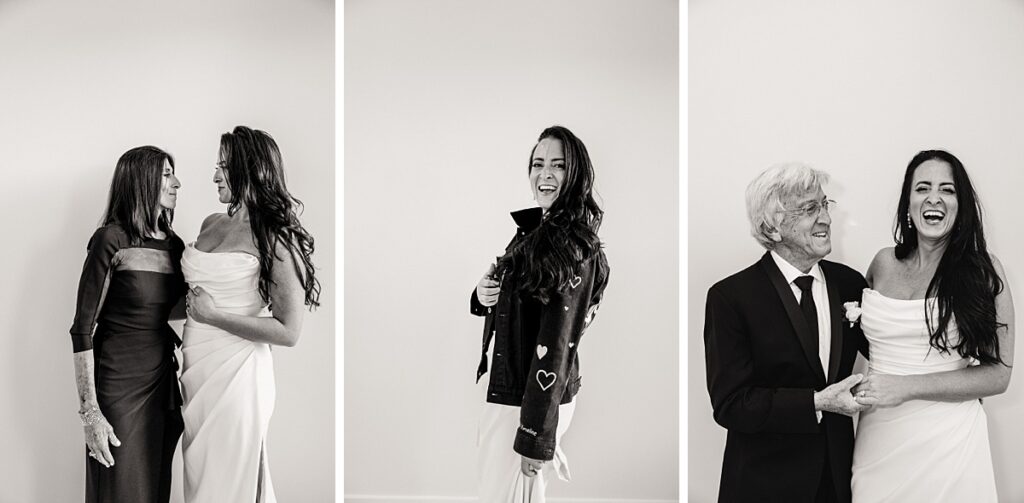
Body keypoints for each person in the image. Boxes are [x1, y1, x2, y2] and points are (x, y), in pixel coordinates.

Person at [850, 150, 1013, 502]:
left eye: (947, 190)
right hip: (878, 438)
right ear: (908, 203)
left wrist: (904, 387)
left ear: (961, 204)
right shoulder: (882, 263)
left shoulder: (984, 272)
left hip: (949, 442)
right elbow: (863, 342)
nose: (933, 197)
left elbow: (998, 376)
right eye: (922, 188)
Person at [703, 163, 871, 503]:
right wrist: (817, 402)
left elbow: (888, 354)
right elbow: (731, 405)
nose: (825, 218)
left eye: (824, 205)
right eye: (810, 209)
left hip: (838, 484)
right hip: (761, 486)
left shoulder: (851, 283)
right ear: (772, 227)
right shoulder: (729, 297)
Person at [180, 126, 321, 503]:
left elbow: (289, 331)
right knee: (200, 480)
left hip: (238, 374)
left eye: (224, 167)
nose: (214, 176)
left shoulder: (274, 237)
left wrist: (213, 316)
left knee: (232, 480)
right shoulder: (211, 224)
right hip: (195, 374)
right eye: (216, 165)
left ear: (250, 170)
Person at [471, 125, 609, 502]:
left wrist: (535, 437)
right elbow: (517, 301)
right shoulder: (536, 230)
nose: (544, 175)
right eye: (537, 164)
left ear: (575, 174)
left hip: (530, 396)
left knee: (507, 495)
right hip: (513, 386)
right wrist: (482, 295)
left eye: (558, 166)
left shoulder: (573, 246)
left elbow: (558, 341)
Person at [69, 146, 186, 503]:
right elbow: (82, 328)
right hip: (118, 387)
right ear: (141, 179)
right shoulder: (111, 240)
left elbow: (174, 308)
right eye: (166, 174)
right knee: (119, 491)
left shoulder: (175, 246)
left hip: (161, 385)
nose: (176, 183)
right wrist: (91, 413)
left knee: (154, 490)